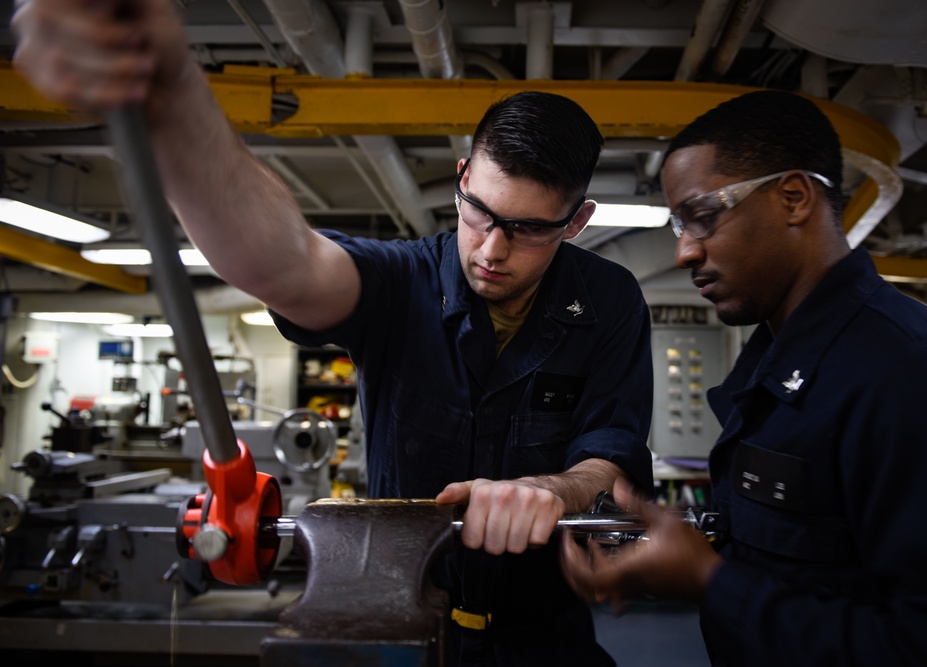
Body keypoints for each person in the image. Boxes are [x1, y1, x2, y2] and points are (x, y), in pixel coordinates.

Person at [11, 1, 655, 664]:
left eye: (525, 228)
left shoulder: (609, 303)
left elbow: (611, 452)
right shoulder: (401, 282)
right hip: (400, 619)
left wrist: (556, 488)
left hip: (546, 631)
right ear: (462, 177)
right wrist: (174, 85)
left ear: (575, 222)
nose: (491, 248)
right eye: (478, 211)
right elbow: (286, 263)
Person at [560, 89, 927, 665]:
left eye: (703, 216)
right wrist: (682, 551)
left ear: (793, 198)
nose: (686, 251)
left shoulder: (916, 378)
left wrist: (711, 580)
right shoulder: (782, 368)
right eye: (677, 225)